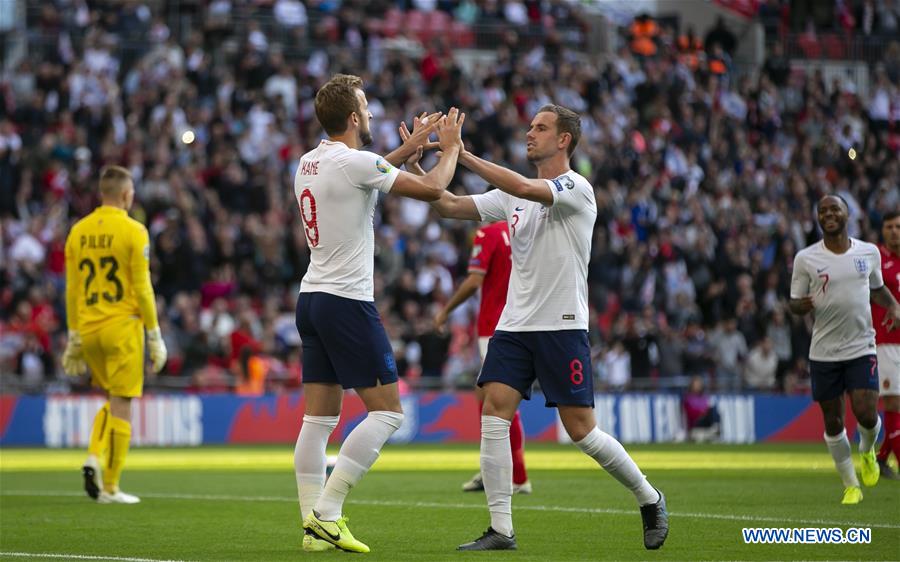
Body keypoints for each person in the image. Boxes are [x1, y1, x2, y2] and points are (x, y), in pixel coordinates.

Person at [429, 104, 668, 551]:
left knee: (582, 432)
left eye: (540, 128)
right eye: (530, 126)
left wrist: (461, 153)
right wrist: (415, 168)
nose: (529, 133)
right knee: (494, 413)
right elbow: (448, 205)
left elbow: (523, 186)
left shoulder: (576, 187)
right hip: (514, 326)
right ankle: (501, 530)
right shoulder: (511, 198)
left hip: (561, 326)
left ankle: (649, 497)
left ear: (564, 140)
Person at [292, 73, 465, 554]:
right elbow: (432, 188)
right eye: (366, 109)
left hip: (312, 299)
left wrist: (404, 151)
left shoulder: (309, 161)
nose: (371, 115)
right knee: (388, 412)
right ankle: (328, 513)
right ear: (353, 118)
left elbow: (360, 176)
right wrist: (450, 148)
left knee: (318, 421)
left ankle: (312, 527)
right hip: (346, 302)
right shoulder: (356, 163)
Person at [61, 165, 168, 504]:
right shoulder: (134, 231)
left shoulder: (78, 231)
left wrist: (73, 335)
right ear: (125, 194)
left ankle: (94, 459)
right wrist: (154, 333)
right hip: (122, 327)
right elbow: (143, 287)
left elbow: (71, 289)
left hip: (89, 329)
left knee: (112, 400)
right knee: (123, 403)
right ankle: (109, 485)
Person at [789, 195, 900, 504]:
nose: (828, 214)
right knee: (834, 421)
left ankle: (867, 450)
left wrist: (894, 306)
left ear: (847, 214)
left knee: (866, 413)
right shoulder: (806, 258)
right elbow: (794, 301)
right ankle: (851, 485)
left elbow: (878, 289)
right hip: (824, 351)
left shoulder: (868, 252)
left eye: (834, 209)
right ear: (818, 218)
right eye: (822, 210)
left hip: (862, 346)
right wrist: (800, 306)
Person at [433, 219, 532, 495]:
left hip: (495, 326)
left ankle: (517, 477)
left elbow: (475, 280)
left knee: (500, 402)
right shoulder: (522, 229)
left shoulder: (488, 232)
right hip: (522, 320)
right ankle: (495, 471)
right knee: (485, 395)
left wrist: (445, 311)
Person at [873, 210, 900, 480]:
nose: (894, 231)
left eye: (898, 227)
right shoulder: (876, 259)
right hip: (886, 342)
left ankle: (881, 458)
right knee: (893, 402)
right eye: (889, 227)